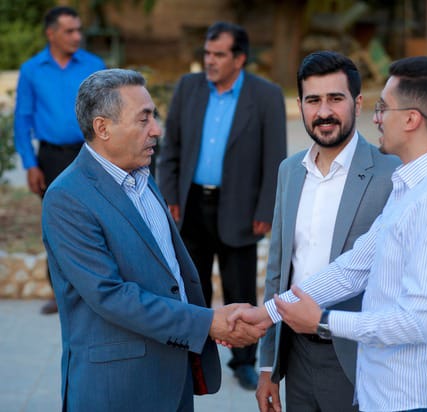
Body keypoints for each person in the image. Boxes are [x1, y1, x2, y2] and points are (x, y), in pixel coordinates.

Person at [230, 56, 427, 412]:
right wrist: (270, 312)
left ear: (411, 119)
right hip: (383, 394)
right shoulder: (411, 186)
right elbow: (353, 268)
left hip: (417, 399)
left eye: (383, 108)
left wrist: (322, 321)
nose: (376, 118)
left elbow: (417, 322)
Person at [41, 68, 264, 411]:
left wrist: (210, 318)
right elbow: (110, 295)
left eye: (154, 117)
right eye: (144, 119)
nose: (156, 129)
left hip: (174, 378)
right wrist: (207, 323)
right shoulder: (67, 198)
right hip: (117, 390)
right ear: (103, 128)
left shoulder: (142, 177)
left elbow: (170, 274)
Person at [257, 51, 400, 412]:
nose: (324, 112)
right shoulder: (289, 171)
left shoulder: (391, 173)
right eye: (313, 100)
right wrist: (267, 366)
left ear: (358, 103)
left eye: (335, 99)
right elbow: (277, 271)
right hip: (296, 355)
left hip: (357, 359)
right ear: (300, 106)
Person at [157, 21, 287, 390]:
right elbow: (171, 148)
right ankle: (192, 355)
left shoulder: (266, 95)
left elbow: (275, 157)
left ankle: (243, 361)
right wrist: (170, 196)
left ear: (239, 58)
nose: (209, 61)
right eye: (207, 53)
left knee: (239, 288)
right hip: (192, 204)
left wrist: (266, 209)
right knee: (190, 285)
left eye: (218, 54)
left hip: (241, 208)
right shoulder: (188, 87)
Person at [14, 6, 106, 314]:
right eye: (69, 31)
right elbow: (23, 118)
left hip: (90, 153)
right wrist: (30, 163)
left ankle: (98, 292)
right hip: (51, 157)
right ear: (50, 33)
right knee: (57, 225)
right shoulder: (32, 70)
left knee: (98, 221)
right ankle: (61, 292)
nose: (77, 36)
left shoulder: (94, 66)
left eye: (79, 30)